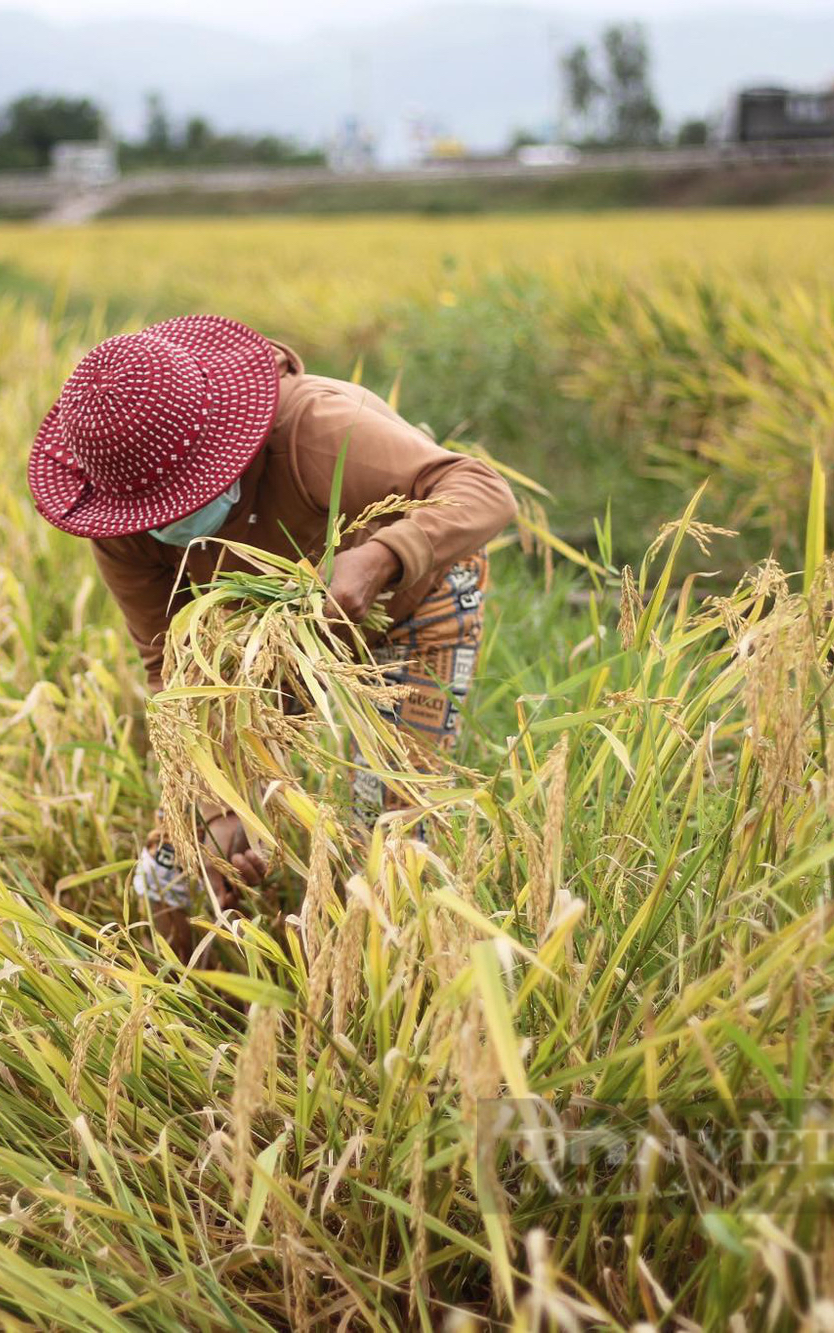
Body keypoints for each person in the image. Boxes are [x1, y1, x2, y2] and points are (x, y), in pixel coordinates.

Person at [28, 314, 517, 953]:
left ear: (224, 444)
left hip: (410, 603)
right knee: (182, 856)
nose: (169, 523)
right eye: (156, 513)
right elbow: (172, 666)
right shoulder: (116, 515)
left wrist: (380, 558)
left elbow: (480, 489)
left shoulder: (313, 428)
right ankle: (186, 1007)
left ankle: (389, 1007)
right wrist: (220, 807)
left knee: (392, 837)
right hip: (263, 636)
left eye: (183, 498)